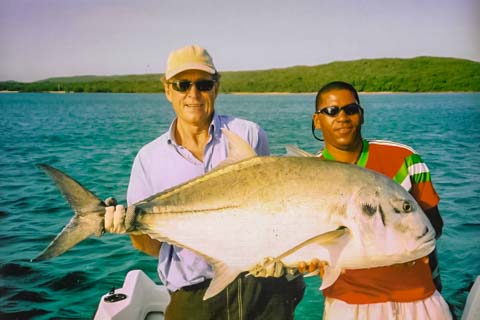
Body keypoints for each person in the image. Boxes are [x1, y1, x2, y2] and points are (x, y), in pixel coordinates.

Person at [105, 44, 305, 319]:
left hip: (262, 288)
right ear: (167, 90)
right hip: (193, 297)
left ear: (217, 87)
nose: (193, 94)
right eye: (182, 84)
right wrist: (132, 227)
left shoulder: (248, 135)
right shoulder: (148, 159)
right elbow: (150, 246)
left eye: (203, 84)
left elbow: (271, 213)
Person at [306, 81, 452, 319]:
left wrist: (408, 253)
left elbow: (434, 226)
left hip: (419, 299)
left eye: (350, 109)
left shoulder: (405, 158)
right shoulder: (307, 174)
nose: (342, 117)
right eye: (331, 111)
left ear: (361, 115)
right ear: (317, 120)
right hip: (349, 303)